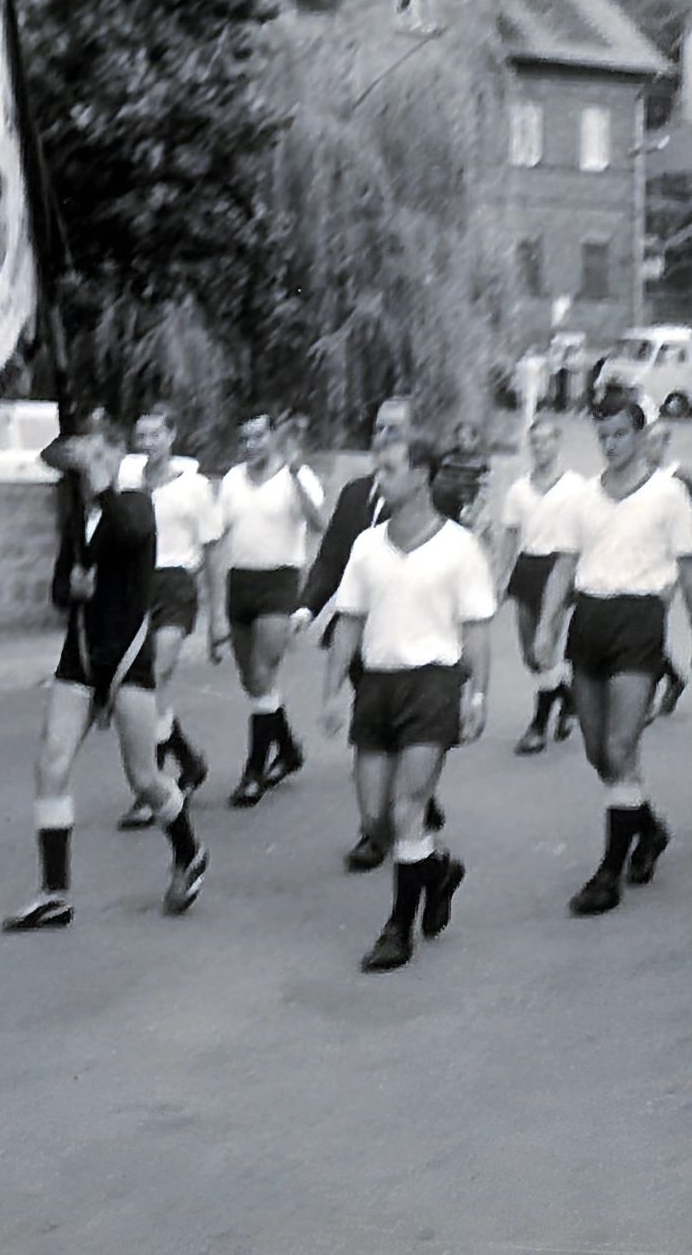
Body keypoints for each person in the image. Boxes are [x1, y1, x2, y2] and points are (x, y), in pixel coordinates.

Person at [2, 416, 209, 930]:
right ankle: (55, 892)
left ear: (117, 458)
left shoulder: (135, 505)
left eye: (100, 456)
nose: (89, 467)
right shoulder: (76, 520)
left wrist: (102, 482)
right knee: (50, 763)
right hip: (81, 655)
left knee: (144, 777)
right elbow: (58, 590)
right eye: (86, 459)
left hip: (126, 656)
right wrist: (70, 587)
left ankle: (189, 851)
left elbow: (129, 530)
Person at [535, 393, 692, 917]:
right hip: (590, 619)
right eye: (603, 436)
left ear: (639, 435)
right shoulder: (583, 499)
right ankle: (649, 827)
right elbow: (564, 567)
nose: (611, 445)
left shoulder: (668, 496)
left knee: (620, 747)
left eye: (620, 434)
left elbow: (687, 571)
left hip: (640, 621)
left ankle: (608, 873)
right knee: (598, 752)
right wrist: (547, 627)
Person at [322, 435, 492, 971]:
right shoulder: (367, 546)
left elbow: (478, 629)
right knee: (376, 820)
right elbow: (348, 620)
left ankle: (398, 928)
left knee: (408, 806)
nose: (380, 478)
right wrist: (330, 693)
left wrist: (477, 693)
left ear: (421, 475)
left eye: (390, 468)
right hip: (377, 685)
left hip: (433, 683)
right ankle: (438, 869)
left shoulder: (459, 547)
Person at [294, 396, 425, 870]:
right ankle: (376, 825)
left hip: (411, 639)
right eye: (378, 429)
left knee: (402, 730)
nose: (383, 437)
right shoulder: (353, 495)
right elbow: (331, 558)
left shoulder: (428, 499)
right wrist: (307, 608)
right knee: (373, 730)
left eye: (395, 429)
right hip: (359, 637)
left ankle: (410, 803)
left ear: (412, 438)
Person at [117, 406, 223, 828]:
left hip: (176, 583)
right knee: (144, 684)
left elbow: (213, 549)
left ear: (172, 436)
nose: (147, 444)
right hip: (136, 585)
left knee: (155, 678)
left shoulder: (194, 488)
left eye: (155, 435)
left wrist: (218, 618)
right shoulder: (129, 482)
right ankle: (189, 761)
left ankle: (152, 789)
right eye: (141, 436)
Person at [216, 411, 328, 806]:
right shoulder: (232, 481)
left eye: (258, 437)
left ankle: (254, 771)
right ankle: (289, 749)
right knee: (252, 681)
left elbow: (318, 523)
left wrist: (295, 473)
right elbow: (220, 533)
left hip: (279, 581)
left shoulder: (297, 477)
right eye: (244, 439)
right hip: (240, 581)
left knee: (264, 674)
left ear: (272, 439)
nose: (251, 446)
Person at [497, 411, 584, 753]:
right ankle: (568, 693)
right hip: (527, 568)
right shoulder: (519, 489)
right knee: (530, 656)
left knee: (544, 646)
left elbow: (586, 530)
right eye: (534, 441)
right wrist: (501, 576)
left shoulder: (576, 486)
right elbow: (510, 534)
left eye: (546, 440)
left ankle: (538, 725)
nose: (540, 447)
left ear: (557, 442)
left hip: (560, 567)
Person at [642, 411, 692, 719]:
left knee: (649, 629)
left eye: (655, 441)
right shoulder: (636, 475)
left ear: (665, 444)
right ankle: (673, 678)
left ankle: (647, 698)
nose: (649, 448)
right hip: (641, 562)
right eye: (646, 441)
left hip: (671, 564)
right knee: (641, 631)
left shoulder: (680, 477)